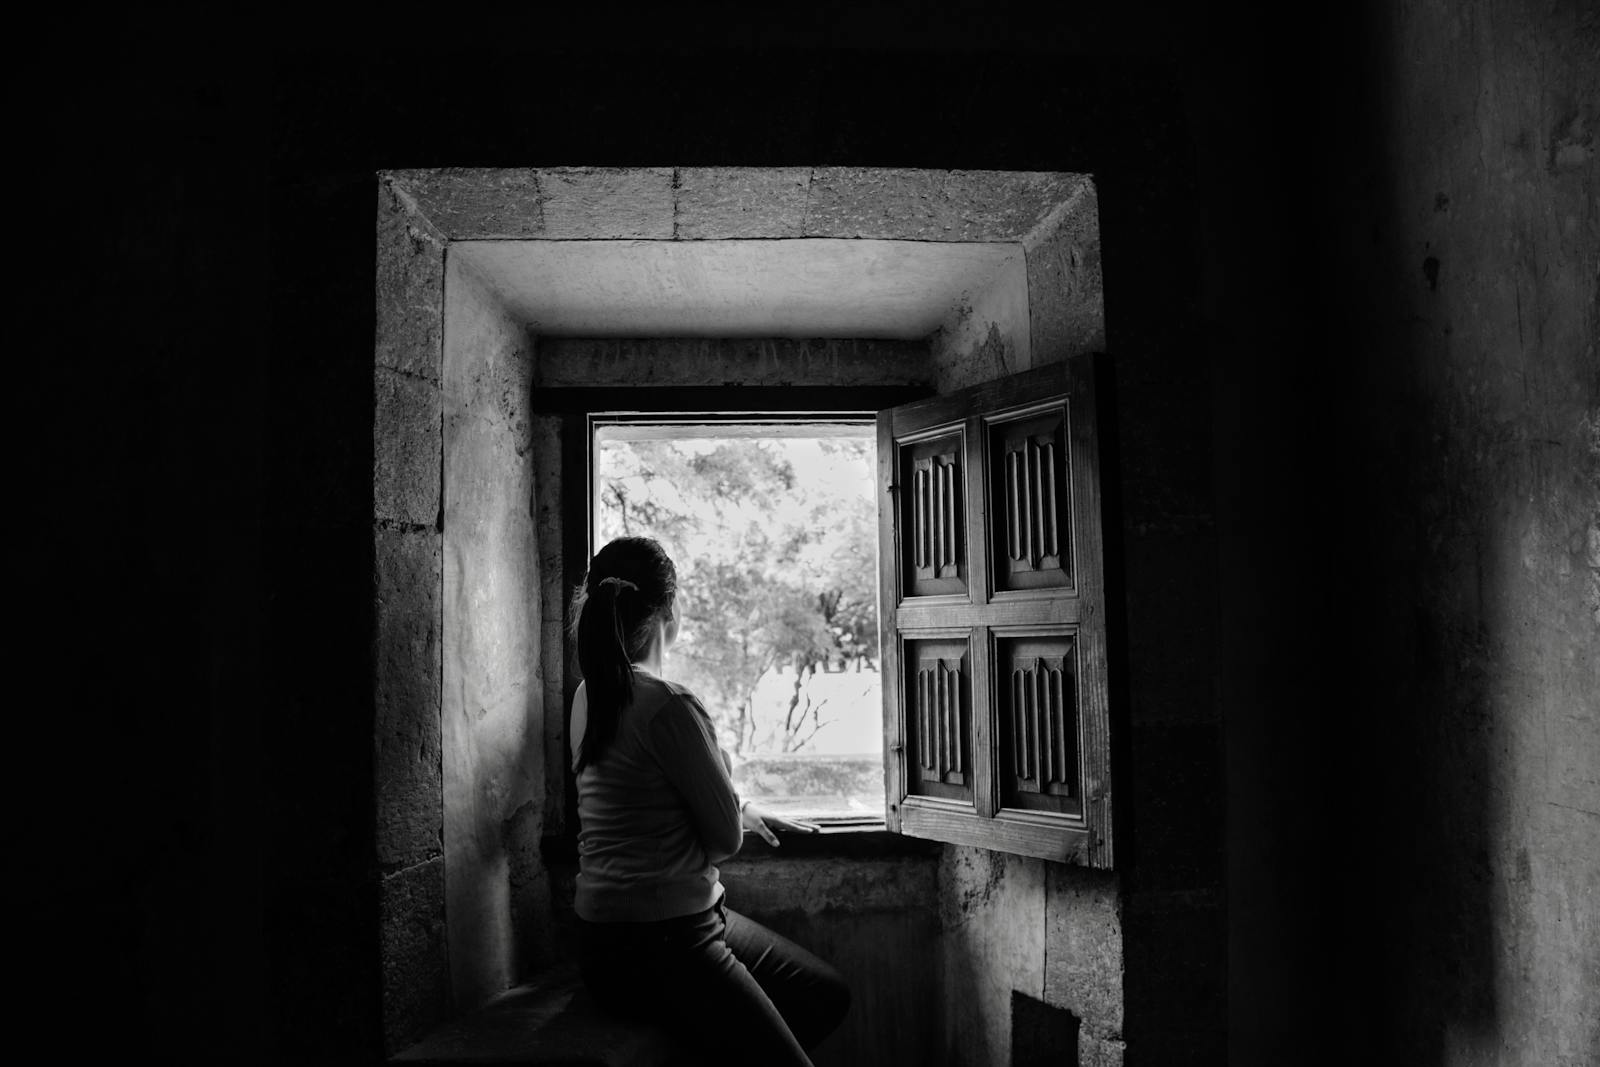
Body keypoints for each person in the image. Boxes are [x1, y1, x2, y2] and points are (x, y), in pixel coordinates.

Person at [568, 535, 851, 1066]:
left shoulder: (590, 695)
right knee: (822, 1004)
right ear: (670, 610)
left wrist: (737, 804)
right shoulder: (669, 704)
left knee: (823, 991)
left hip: (600, 943)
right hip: (670, 941)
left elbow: (641, 799)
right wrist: (728, 796)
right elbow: (723, 844)